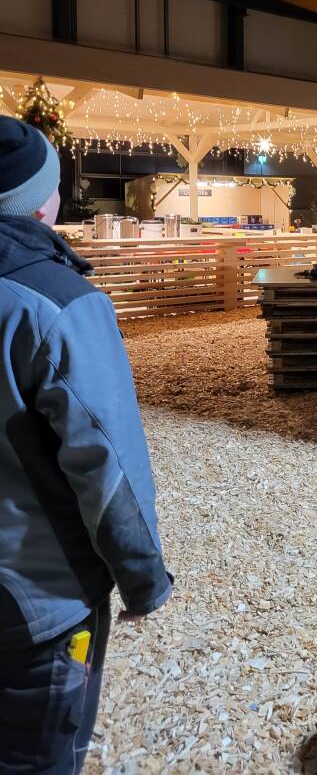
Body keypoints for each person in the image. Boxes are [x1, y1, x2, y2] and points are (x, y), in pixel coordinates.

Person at [0, 118, 173, 774]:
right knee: (36, 756)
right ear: (40, 204)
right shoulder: (55, 302)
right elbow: (106, 460)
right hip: (34, 598)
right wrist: (143, 579)